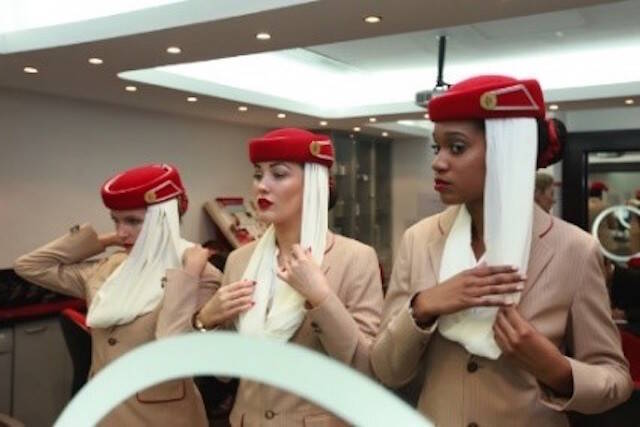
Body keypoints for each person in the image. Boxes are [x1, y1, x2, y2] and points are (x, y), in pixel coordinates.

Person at [371, 75, 633, 426]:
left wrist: (554, 368)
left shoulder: (574, 249)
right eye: (437, 148)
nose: (438, 162)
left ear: (506, 150)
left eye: (457, 147)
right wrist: (423, 307)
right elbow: (386, 370)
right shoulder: (419, 240)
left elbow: (616, 380)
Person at [193, 128, 384, 426]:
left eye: (279, 174)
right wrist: (206, 320)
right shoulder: (240, 261)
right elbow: (223, 373)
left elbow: (366, 369)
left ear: (314, 184)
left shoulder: (355, 259)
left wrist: (320, 298)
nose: (262, 186)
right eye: (258, 175)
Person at [14, 164, 219, 426]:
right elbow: (30, 266)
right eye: (116, 220)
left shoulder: (199, 274)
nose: (122, 231)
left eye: (133, 221)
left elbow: (172, 353)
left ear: (163, 219)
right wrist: (108, 240)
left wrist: (187, 274)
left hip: (160, 419)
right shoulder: (112, 268)